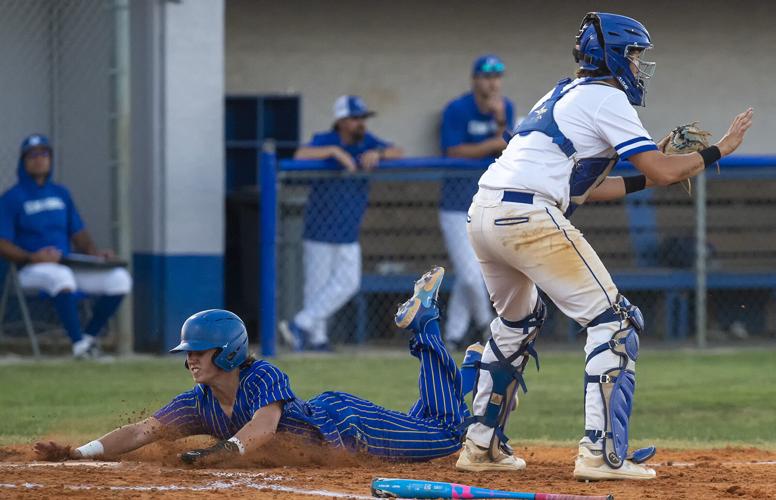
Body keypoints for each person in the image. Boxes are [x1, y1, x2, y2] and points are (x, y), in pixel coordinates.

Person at [458, 12, 753, 480]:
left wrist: (656, 166)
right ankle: (600, 455)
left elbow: (590, 187)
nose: (638, 66)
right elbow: (663, 171)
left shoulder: (561, 93)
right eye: (634, 55)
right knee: (615, 322)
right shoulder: (606, 96)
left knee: (518, 320)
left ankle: (480, 446)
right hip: (528, 215)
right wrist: (719, 149)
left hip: (483, 213)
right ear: (613, 55)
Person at [34, 267, 485, 465]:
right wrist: (81, 453)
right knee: (425, 419)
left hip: (349, 426)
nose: (190, 358)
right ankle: (471, 374)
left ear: (227, 352)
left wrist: (219, 455)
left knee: (446, 433)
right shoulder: (199, 403)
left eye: (199, 351)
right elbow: (141, 431)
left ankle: (425, 320)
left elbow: (263, 428)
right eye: (189, 351)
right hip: (344, 428)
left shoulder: (262, 376)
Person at [279, 95, 402, 351]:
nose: (361, 124)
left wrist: (377, 153)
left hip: (348, 230)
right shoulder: (327, 140)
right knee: (316, 286)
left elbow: (398, 151)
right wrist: (334, 152)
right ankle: (316, 339)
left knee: (348, 283)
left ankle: (300, 323)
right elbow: (300, 154)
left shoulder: (367, 142)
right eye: (355, 119)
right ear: (341, 121)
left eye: (362, 118)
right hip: (319, 229)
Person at [0, 134, 132, 358]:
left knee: (119, 279)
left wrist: (95, 254)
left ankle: (88, 339)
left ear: (50, 159)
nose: (39, 159)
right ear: (23, 161)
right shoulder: (12, 198)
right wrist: (32, 257)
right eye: (32, 155)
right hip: (28, 269)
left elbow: (78, 233)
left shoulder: (61, 194)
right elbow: (2, 243)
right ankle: (78, 346)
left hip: (66, 263)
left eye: (44, 154)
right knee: (61, 277)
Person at [439, 55, 515, 350]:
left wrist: (501, 123)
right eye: (486, 76)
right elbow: (452, 151)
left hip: (488, 202)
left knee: (473, 272)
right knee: (472, 274)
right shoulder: (457, 109)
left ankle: (454, 335)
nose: (492, 82)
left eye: (497, 76)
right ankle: (487, 326)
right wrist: (494, 142)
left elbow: (512, 147)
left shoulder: (504, 108)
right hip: (455, 205)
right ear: (474, 80)